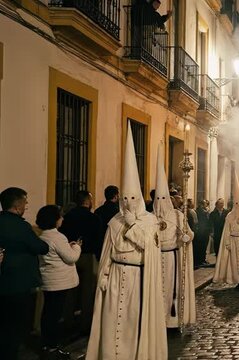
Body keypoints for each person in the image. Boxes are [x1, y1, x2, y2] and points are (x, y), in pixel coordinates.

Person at [86, 123, 166, 359]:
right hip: (115, 278)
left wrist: (133, 224)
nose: (129, 201)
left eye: (133, 197)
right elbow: (107, 251)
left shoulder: (150, 221)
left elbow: (149, 247)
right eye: (125, 197)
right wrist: (104, 274)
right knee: (111, 321)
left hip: (137, 278)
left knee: (132, 321)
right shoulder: (113, 221)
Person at [0, 187, 49, 360]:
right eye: (25, 202)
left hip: (3, 281)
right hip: (19, 283)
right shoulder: (21, 226)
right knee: (14, 326)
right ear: (18, 205)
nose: (27, 206)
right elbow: (41, 247)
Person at [153, 144, 196, 328]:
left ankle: (171, 320)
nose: (162, 203)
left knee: (172, 288)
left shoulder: (178, 215)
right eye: (159, 199)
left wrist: (186, 238)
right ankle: (156, 321)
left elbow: (189, 233)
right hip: (154, 258)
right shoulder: (149, 218)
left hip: (172, 256)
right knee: (155, 290)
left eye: (165, 199)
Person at [37, 205, 81, 359]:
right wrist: (76, 247)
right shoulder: (58, 237)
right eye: (60, 216)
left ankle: (45, 344)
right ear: (54, 219)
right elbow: (71, 257)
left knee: (48, 313)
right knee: (55, 315)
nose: (62, 219)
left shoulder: (42, 236)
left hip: (49, 280)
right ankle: (53, 346)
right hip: (59, 281)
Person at [58, 190, 102, 333]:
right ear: (87, 202)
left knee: (70, 290)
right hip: (88, 256)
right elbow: (99, 239)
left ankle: (68, 320)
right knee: (87, 292)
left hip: (70, 257)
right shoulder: (93, 218)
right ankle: (85, 323)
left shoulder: (67, 217)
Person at [212, 171, 239, 289]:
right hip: (233, 240)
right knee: (232, 262)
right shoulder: (230, 216)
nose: (238, 205)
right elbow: (226, 230)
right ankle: (233, 279)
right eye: (236, 203)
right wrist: (227, 242)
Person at [193, 200, 211, 266]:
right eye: (205, 203)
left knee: (203, 247)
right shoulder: (201, 211)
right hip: (202, 232)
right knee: (202, 247)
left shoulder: (203, 211)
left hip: (204, 231)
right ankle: (201, 260)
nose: (206, 205)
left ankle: (202, 259)